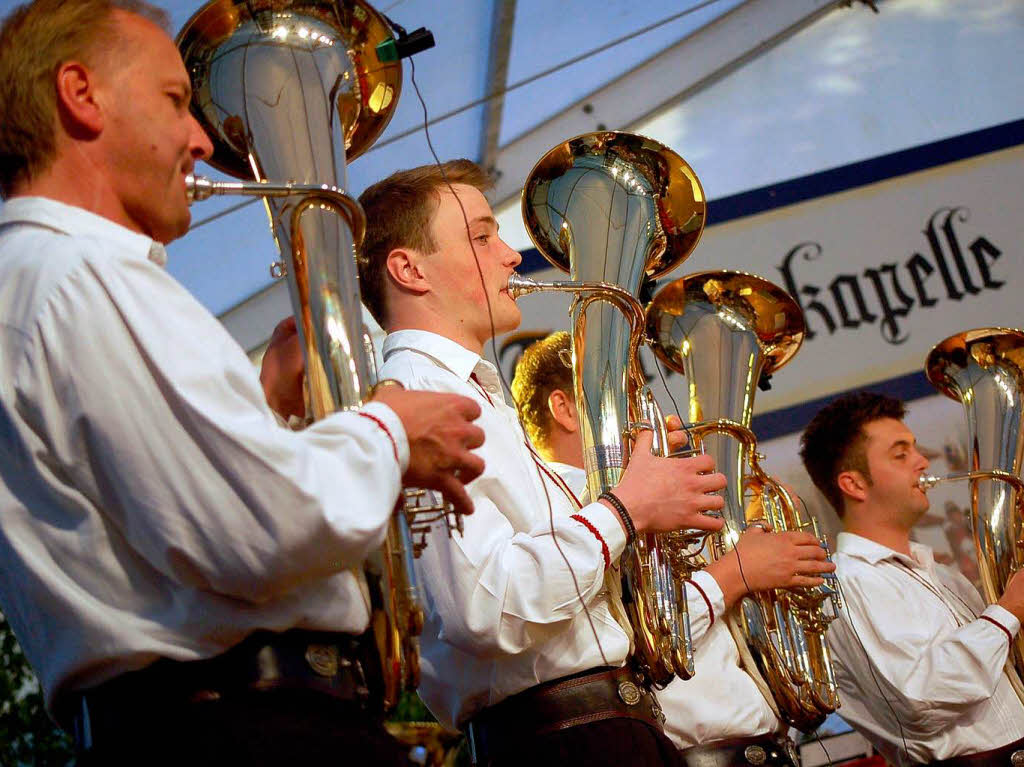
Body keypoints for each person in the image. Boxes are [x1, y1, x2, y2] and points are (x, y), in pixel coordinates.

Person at [0, 2, 487, 764]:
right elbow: (258, 529)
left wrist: (271, 415)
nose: (201, 138)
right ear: (80, 94)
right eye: (173, 101)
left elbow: (164, 524)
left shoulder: (41, 281)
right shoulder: (82, 275)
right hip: (250, 730)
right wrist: (390, 429)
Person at [358, 159, 734, 767]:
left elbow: (535, 541)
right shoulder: (419, 399)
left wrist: (633, 477)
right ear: (408, 269)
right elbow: (485, 607)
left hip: (601, 727)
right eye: (482, 237)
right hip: (564, 741)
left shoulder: (474, 392)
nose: (511, 255)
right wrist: (627, 507)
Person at [512, 331, 837, 767]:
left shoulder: (651, 506)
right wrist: (735, 573)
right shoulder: (558, 510)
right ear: (566, 410)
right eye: (629, 403)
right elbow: (631, 637)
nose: (654, 423)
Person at [800, 391, 1024, 767]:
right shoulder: (847, 584)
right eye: (900, 454)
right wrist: (1008, 611)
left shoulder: (945, 577)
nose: (922, 461)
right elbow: (919, 699)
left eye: (914, 449)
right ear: (854, 485)